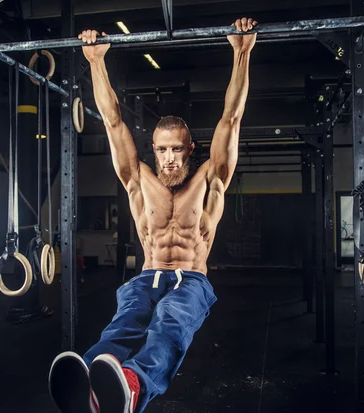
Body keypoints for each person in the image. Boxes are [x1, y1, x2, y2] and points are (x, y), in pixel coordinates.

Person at [48, 17, 258, 413]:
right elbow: (112, 121)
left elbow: (231, 118)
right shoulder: (138, 179)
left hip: (192, 281)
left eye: (177, 149)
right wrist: (95, 61)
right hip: (147, 275)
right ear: (154, 149)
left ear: (190, 148)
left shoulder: (210, 179)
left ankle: (133, 384)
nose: (170, 158)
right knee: (124, 323)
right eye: (162, 150)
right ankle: (93, 388)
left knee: (169, 322)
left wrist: (241, 52)